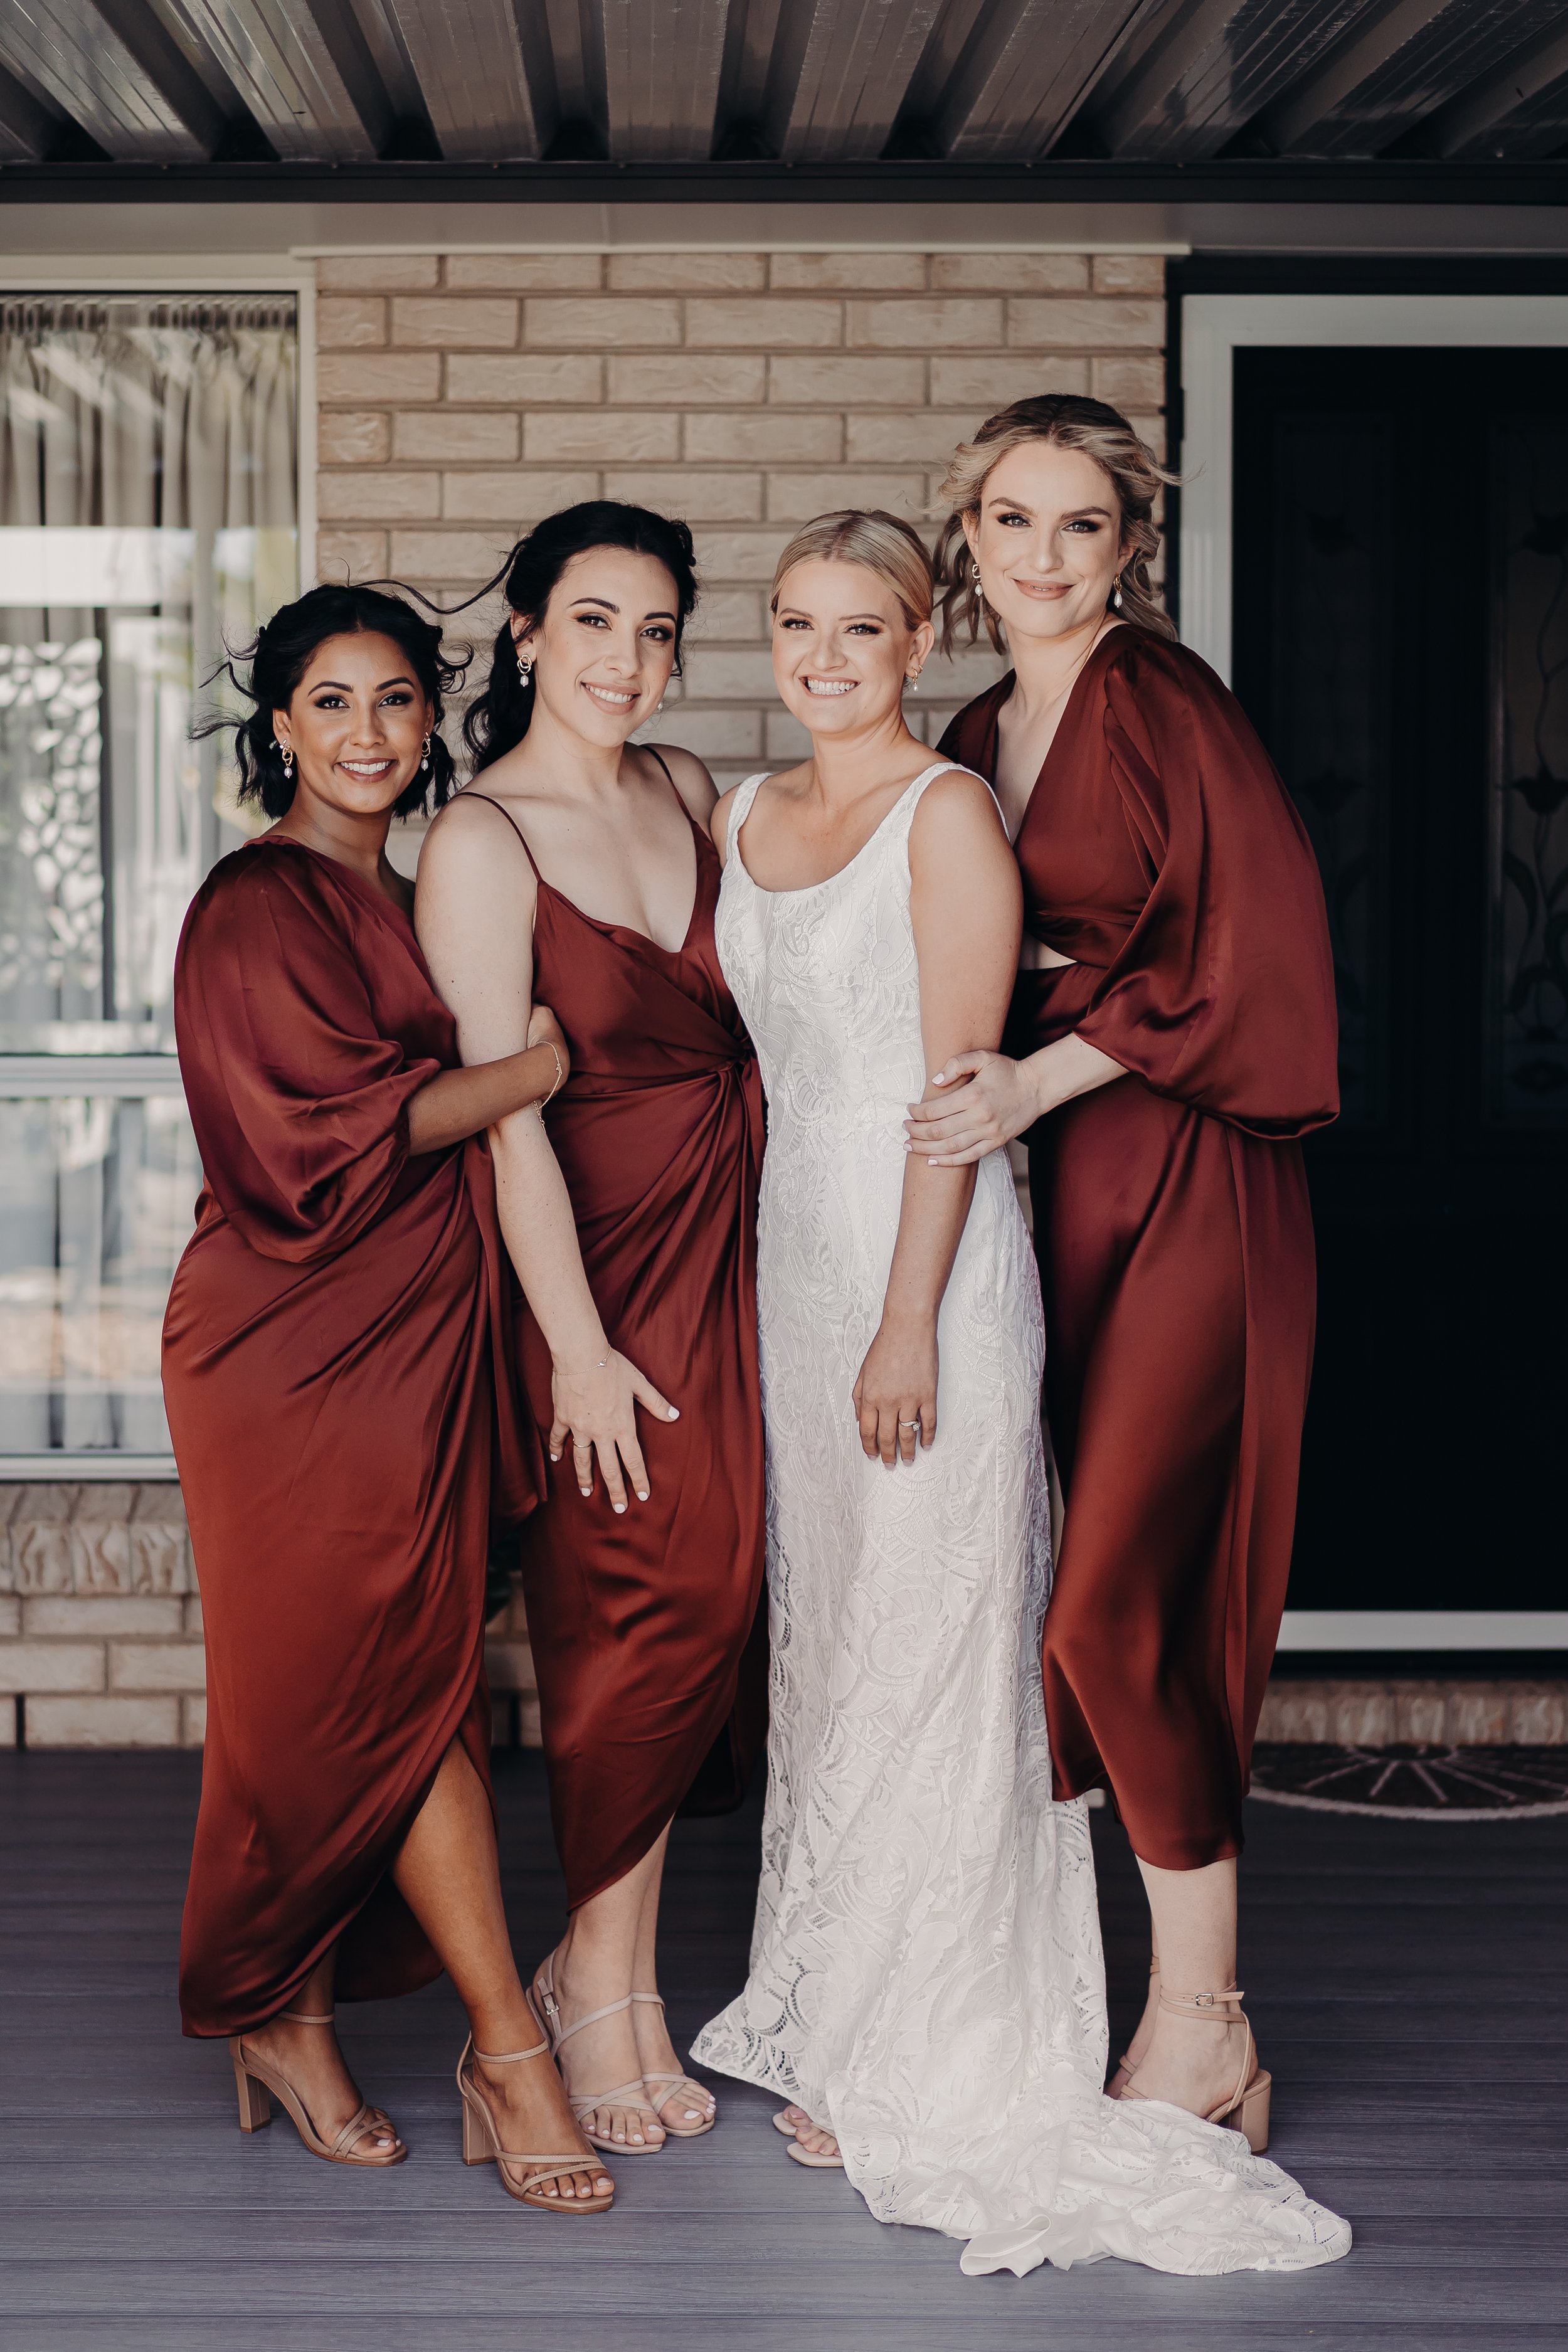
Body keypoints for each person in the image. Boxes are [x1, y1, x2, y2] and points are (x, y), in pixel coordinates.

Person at [690, 509, 1348, 2277]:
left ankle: (1110, 2023)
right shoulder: (944, 748)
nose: (827, 656)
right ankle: (852, 1997)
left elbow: (1032, 1022)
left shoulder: (1076, 735)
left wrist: (912, 1305)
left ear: (922, 633)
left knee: (1028, 1610)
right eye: (796, 626)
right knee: (848, 1632)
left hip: (1049, 1216)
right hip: (814, 1259)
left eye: (862, 627)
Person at [916, 393, 1338, 2131]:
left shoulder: (1158, 698)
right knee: (1072, 1591)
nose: (1037, 555)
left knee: (1113, 1598)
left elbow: (1249, 942)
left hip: (1187, 1175)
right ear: (965, 537)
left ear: (1128, 546)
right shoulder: (973, 719)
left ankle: (1203, 2017)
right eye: (1009, 520)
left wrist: (1032, 1076)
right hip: (1060, 1199)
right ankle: (1186, 2007)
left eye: (1075, 525)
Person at [167, 583, 614, 2213]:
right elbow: (303, 1146)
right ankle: (506, 2044)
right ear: (276, 725)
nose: (368, 733)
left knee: (417, 1683)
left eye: (398, 703)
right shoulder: (250, 904)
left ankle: (291, 2019)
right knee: (344, 1694)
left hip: (411, 1350)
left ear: (433, 726)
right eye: (332, 703)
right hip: (286, 1360)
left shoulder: (410, 895)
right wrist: (528, 1074)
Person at [415, 504, 765, 2157]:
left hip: (744, 1238)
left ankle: (589, 1968)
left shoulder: (687, 786)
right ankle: (602, 1994)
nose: (630, 659)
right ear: (531, 636)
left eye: (658, 630)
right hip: (598, 1264)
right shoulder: (481, 837)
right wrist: (572, 1343)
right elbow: (506, 1119)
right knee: (640, 1596)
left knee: (728, 1589)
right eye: (596, 622)